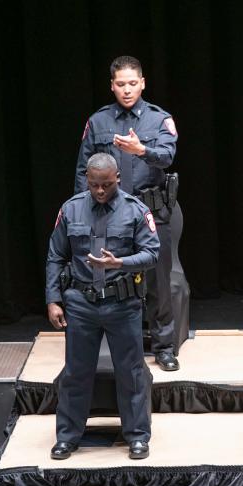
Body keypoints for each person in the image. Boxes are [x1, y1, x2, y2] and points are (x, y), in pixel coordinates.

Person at [46, 153, 159, 460]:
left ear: (118, 179)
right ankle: (68, 437)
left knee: (131, 372)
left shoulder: (135, 210)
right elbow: (56, 255)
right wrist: (53, 299)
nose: (99, 191)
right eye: (94, 184)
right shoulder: (71, 209)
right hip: (81, 303)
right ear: (87, 179)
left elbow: (152, 253)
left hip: (122, 304)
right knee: (76, 373)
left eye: (106, 185)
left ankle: (137, 436)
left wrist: (120, 262)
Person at [75, 56, 183, 372]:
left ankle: (164, 347)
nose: (126, 90)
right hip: (110, 213)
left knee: (158, 282)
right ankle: (124, 346)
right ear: (112, 85)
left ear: (143, 83)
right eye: (120, 84)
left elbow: (167, 157)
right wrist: (82, 211)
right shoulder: (98, 121)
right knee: (113, 279)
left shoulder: (158, 118)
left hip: (151, 212)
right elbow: (84, 170)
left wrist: (142, 151)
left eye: (132, 83)